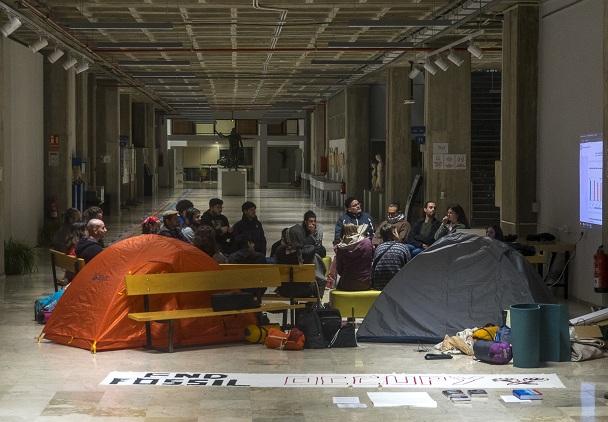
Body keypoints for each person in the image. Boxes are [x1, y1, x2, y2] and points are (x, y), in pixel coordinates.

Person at [371, 223, 412, 290]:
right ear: (394, 234)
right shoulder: (403, 247)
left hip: (379, 285)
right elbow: (408, 268)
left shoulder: (379, 248)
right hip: (397, 287)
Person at [335, 223, 373, 291]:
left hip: (346, 284)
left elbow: (339, 270)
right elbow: (370, 262)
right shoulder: (367, 243)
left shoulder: (340, 248)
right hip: (365, 283)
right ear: (357, 230)